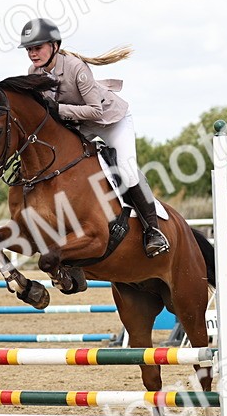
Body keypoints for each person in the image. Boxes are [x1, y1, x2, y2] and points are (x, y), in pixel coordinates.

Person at [18, 17, 170, 258]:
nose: (33, 54)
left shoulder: (76, 68)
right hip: (81, 125)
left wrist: (59, 110)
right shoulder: (33, 72)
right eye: (29, 49)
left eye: (37, 48)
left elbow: (95, 111)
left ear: (54, 45)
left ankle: (153, 231)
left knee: (127, 170)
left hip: (111, 121)